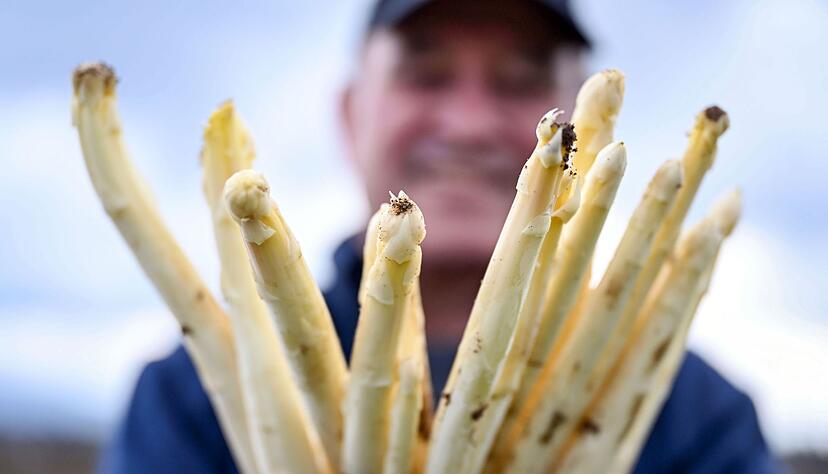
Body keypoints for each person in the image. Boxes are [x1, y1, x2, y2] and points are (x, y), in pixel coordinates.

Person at [100, 1, 785, 472]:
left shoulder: (696, 419)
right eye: (425, 76)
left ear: (586, 125)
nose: (467, 123)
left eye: (520, 82)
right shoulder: (189, 405)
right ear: (350, 114)